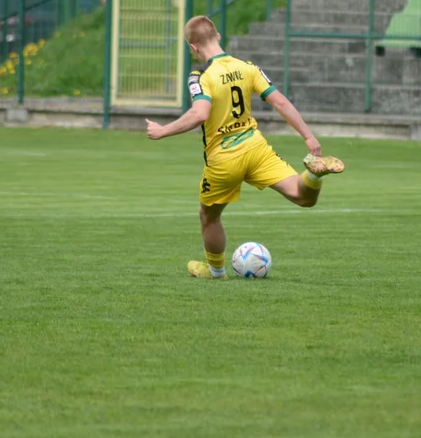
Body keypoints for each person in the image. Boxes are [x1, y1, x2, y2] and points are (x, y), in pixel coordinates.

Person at [145, 15, 345, 278]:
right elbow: (280, 102)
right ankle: (314, 174)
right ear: (218, 36)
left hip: (224, 158)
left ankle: (216, 272)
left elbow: (200, 114)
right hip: (255, 148)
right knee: (302, 195)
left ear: (193, 48)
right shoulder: (248, 67)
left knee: (209, 215)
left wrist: (162, 131)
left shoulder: (200, 75)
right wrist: (308, 136)